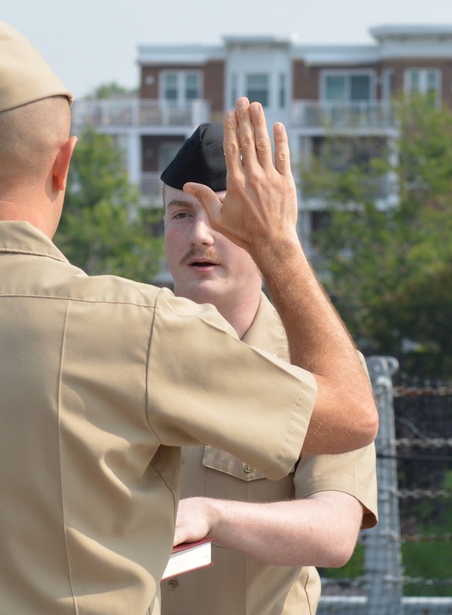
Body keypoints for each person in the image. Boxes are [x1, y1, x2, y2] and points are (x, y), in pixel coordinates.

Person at [0, 17, 377, 615]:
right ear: (63, 164)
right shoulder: (134, 331)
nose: (201, 236)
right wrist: (279, 244)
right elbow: (351, 416)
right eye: (179, 215)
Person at [158, 124, 379, 615]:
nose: (199, 234)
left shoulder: (319, 371)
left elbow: (335, 530)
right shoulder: (121, 347)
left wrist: (211, 516)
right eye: (180, 213)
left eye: (222, 213)